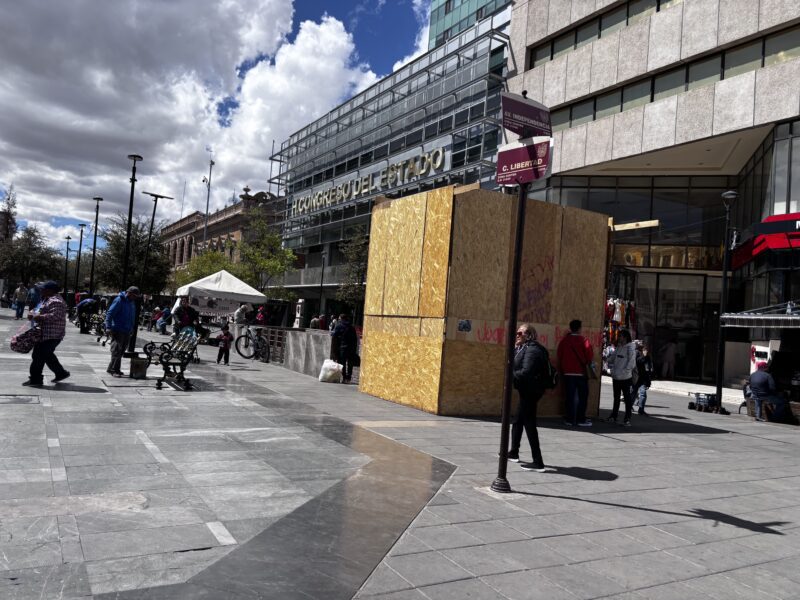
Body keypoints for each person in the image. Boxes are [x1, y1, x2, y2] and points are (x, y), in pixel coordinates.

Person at [509, 323, 549, 472]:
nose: (517, 336)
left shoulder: (532, 350)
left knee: (529, 424)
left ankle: (538, 462)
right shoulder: (523, 348)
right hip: (526, 390)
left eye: (520, 333)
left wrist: (511, 376)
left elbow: (526, 372)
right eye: (517, 333)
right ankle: (513, 452)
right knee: (518, 420)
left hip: (531, 391)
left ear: (529, 335)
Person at [24, 281, 70, 386]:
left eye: (43, 289)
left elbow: (55, 316)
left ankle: (35, 379)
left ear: (50, 290)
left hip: (51, 335)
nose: (41, 290)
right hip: (44, 333)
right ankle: (61, 373)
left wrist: (37, 317)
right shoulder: (46, 299)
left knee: (38, 356)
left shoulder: (56, 301)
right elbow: (39, 310)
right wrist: (32, 313)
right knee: (47, 355)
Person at [557, 319, 594, 427]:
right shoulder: (584, 340)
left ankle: (569, 419)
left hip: (568, 373)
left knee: (569, 397)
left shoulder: (564, 340)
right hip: (581, 373)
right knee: (582, 397)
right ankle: (580, 419)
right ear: (579, 328)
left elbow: (560, 355)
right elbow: (589, 356)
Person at [104, 286, 140, 377]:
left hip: (127, 330)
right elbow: (110, 313)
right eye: (135, 296)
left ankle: (114, 368)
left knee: (121, 351)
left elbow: (132, 316)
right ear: (130, 293)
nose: (136, 298)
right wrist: (108, 327)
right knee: (116, 350)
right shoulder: (119, 300)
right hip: (118, 329)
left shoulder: (132, 302)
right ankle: (113, 369)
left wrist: (131, 328)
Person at [608, 329, 636, 426]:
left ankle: (627, 418)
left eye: (621, 336)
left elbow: (632, 362)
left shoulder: (630, 348)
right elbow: (612, 358)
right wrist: (608, 362)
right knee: (616, 397)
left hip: (625, 377)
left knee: (627, 398)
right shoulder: (619, 347)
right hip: (616, 376)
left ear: (625, 337)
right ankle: (614, 416)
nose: (619, 338)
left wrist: (625, 371)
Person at [331, 313, 358, 383]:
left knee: (342, 363)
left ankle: (344, 378)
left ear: (341, 319)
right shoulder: (352, 327)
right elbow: (355, 339)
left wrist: (334, 351)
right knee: (350, 363)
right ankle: (348, 378)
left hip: (342, 348)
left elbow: (334, 337)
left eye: (339, 319)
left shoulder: (339, 326)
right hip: (351, 348)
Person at [633, 341, 653, 415]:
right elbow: (638, 362)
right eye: (645, 350)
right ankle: (629, 407)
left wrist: (649, 381)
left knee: (643, 394)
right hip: (636, 377)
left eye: (647, 351)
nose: (646, 352)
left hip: (643, 378)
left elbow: (649, 370)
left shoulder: (648, 358)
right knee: (633, 393)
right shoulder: (637, 353)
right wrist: (644, 356)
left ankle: (641, 409)